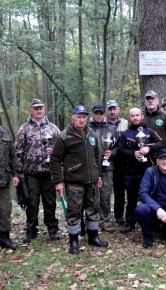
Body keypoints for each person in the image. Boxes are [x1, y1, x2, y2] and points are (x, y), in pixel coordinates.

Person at [50, 105, 107, 254]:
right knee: (74, 212)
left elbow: (96, 157)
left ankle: (93, 237)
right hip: (74, 181)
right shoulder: (64, 136)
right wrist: (57, 181)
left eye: (84, 117)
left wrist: (98, 175)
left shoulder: (92, 134)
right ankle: (73, 241)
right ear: (73, 118)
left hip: (92, 181)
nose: (81, 120)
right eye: (78, 117)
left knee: (93, 210)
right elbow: (55, 160)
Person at [15, 99, 60, 243]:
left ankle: (52, 229)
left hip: (49, 173)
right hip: (31, 173)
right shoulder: (24, 129)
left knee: (50, 202)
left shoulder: (53, 128)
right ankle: (31, 230)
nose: (39, 111)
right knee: (32, 203)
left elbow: (61, 149)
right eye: (36, 108)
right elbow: (18, 152)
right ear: (30, 110)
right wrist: (19, 172)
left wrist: (53, 152)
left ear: (44, 109)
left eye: (41, 108)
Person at [117, 107, 166, 233]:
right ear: (129, 117)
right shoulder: (125, 134)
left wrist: (149, 149)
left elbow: (161, 144)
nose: (135, 118)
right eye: (132, 116)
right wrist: (133, 153)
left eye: (137, 115)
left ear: (142, 116)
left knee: (151, 197)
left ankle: (154, 222)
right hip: (131, 172)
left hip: (148, 171)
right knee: (131, 199)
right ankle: (130, 222)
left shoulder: (149, 132)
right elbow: (120, 149)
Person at [89, 104, 116, 232]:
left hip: (108, 167)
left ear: (104, 114)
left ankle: (105, 220)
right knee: (92, 194)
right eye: (96, 113)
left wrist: (112, 153)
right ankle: (93, 220)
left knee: (106, 194)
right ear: (93, 114)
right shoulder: (87, 128)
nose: (99, 115)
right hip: (91, 167)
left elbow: (118, 146)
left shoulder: (111, 128)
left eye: (101, 113)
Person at [106, 100, 128, 225]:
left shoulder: (125, 123)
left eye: (114, 109)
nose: (113, 111)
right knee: (106, 190)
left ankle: (119, 215)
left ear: (118, 109)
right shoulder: (103, 123)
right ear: (107, 110)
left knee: (120, 190)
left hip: (122, 161)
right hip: (106, 161)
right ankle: (105, 216)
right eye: (110, 109)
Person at [0, 125, 21, 250]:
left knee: (4, 209)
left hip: (3, 179)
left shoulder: (4, 130)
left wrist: (15, 174)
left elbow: (13, 154)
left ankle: (4, 237)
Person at [143, 90, 166, 157]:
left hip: (161, 154)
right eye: (148, 99)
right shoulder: (140, 116)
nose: (150, 101)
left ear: (157, 101)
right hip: (144, 154)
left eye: (152, 99)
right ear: (145, 101)